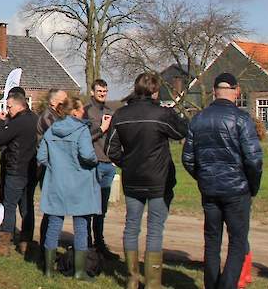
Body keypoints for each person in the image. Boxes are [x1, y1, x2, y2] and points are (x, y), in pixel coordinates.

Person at [106, 72, 188, 289]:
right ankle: (152, 282)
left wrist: (127, 163)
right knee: (154, 228)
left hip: (132, 178)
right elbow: (181, 132)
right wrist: (179, 114)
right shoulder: (162, 114)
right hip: (159, 178)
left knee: (131, 226)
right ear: (155, 91)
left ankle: (132, 279)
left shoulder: (121, 114)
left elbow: (110, 149)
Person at [182, 73, 263, 289]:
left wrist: (203, 177)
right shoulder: (241, 118)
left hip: (210, 190)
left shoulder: (198, 119)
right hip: (237, 190)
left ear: (215, 90)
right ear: (236, 91)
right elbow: (253, 158)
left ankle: (212, 284)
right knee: (237, 242)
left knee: (212, 241)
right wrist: (252, 187)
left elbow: (188, 158)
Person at [38, 97, 101, 280]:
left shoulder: (51, 131)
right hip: (79, 184)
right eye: (81, 109)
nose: (84, 112)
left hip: (56, 183)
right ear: (74, 111)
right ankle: (80, 272)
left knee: (54, 225)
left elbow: (41, 156)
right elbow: (88, 155)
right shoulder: (81, 130)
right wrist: (94, 161)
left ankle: (49, 270)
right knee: (81, 226)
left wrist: (55, 166)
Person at [0, 88, 38, 255]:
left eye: (10, 106)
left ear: (19, 105)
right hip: (32, 169)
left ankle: (4, 244)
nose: (8, 110)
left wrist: (0, 123)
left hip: (16, 169)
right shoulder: (35, 119)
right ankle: (26, 242)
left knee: (9, 206)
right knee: (27, 207)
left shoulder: (17, 122)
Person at [84, 78, 115, 254]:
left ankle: (100, 242)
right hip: (93, 164)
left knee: (102, 208)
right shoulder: (87, 112)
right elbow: (83, 138)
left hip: (108, 165)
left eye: (104, 91)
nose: (102, 94)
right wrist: (101, 129)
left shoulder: (111, 111)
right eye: (99, 91)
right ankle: (87, 242)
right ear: (92, 92)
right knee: (90, 206)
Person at [36, 88, 68, 260]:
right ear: (54, 102)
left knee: (54, 211)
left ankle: (48, 247)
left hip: (54, 168)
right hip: (48, 169)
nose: (67, 104)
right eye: (64, 100)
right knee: (52, 210)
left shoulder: (57, 117)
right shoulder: (48, 118)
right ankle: (46, 249)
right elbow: (60, 139)